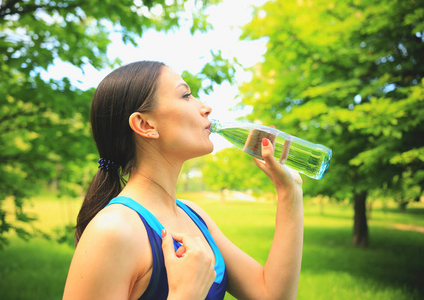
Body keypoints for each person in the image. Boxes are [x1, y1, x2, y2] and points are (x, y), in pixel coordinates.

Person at [62, 61, 303, 300]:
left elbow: (272, 295)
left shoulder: (194, 216)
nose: (206, 107)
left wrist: (289, 191)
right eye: (186, 95)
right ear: (145, 125)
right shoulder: (113, 231)